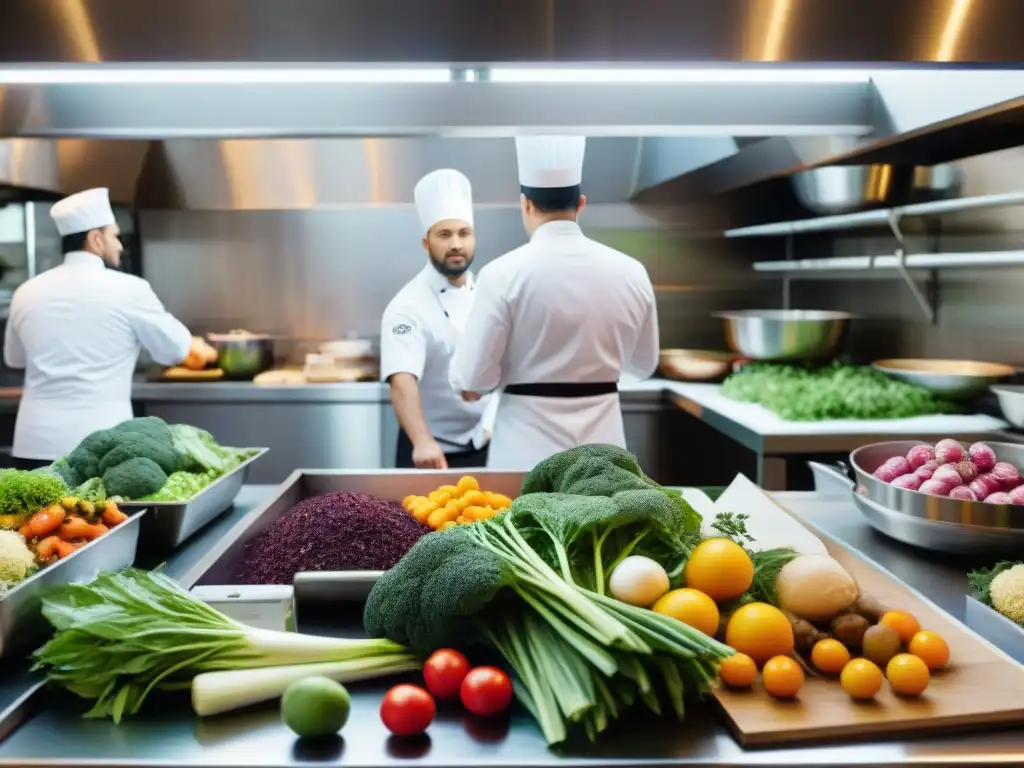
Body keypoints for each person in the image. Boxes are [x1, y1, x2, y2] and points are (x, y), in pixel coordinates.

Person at [449, 135, 660, 469]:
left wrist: (484, 380)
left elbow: (472, 377)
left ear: (526, 204)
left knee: (525, 523)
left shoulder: (501, 274)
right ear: (581, 204)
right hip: (605, 455)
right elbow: (643, 365)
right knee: (602, 522)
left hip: (524, 453)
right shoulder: (632, 271)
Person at [4, 188, 205, 468]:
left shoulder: (26, 291)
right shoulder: (129, 289)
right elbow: (175, 350)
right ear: (95, 239)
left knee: (35, 513)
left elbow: (14, 359)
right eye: (115, 236)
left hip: (34, 444)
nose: (120, 245)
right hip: (101, 450)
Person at [380, 169, 497, 469]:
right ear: (426, 243)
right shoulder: (406, 306)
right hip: (429, 453)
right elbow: (401, 380)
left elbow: (506, 366)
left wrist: (491, 422)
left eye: (464, 233)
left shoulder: (488, 292)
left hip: (483, 444)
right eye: (444, 234)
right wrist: (421, 441)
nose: (456, 244)